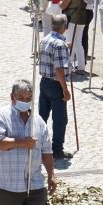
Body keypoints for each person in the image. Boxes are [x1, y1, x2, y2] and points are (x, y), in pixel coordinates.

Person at [38, 14, 72, 159]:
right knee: (60, 120)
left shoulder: (45, 39)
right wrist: (65, 89)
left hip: (44, 82)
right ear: (64, 26)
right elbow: (59, 69)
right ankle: (57, 149)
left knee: (42, 117)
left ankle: (38, 145)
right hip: (55, 84)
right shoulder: (59, 45)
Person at [60, 0, 91, 74]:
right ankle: (81, 66)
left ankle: (66, 65)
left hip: (72, 17)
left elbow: (64, 5)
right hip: (82, 17)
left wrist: (59, 1)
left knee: (70, 42)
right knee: (78, 42)